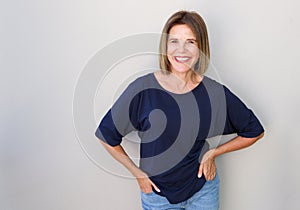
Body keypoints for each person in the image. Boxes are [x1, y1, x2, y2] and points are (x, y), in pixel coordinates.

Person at [95, 10, 264, 210]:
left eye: (190, 42)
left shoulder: (213, 92)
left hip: (203, 192)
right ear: (165, 47)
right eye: (174, 41)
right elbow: (106, 135)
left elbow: (255, 130)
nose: (181, 50)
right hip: (157, 197)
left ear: (201, 48)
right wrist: (137, 173)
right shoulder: (143, 90)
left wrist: (214, 153)